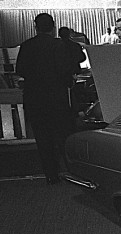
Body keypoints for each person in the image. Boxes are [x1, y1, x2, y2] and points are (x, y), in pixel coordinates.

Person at [15, 13, 86, 184]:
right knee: (62, 136)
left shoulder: (26, 45)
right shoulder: (58, 45)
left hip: (34, 99)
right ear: (53, 27)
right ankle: (71, 172)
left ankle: (51, 175)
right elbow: (64, 70)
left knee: (43, 138)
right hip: (56, 98)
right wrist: (69, 82)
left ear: (35, 27)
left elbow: (20, 70)